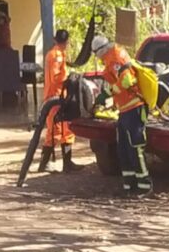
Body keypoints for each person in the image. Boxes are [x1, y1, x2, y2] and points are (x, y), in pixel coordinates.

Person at [91, 34, 152, 197]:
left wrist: (108, 92)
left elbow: (126, 82)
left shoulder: (116, 57)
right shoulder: (111, 58)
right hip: (124, 110)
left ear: (100, 50)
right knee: (123, 149)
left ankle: (144, 185)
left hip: (134, 108)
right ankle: (129, 185)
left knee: (135, 148)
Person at [38, 29, 80, 174]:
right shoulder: (56, 56)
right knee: (54, 131)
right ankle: (43, 164)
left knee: (66, 130)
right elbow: (57, 78)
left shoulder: (57, 54)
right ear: (67, 42)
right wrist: (69, 80)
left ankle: (67, 163)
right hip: (55, 97)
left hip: (60, 97)